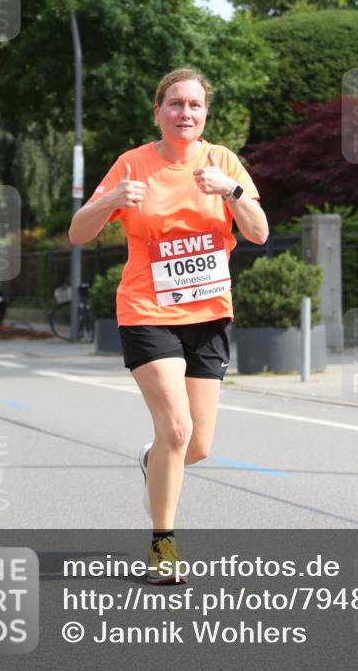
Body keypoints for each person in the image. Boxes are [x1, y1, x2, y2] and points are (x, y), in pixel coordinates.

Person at [69, 67, 268, 582]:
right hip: (147, 312)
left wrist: (232, 192)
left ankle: (152, 457)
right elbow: (78, 231)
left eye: (195, 105)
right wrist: (111, 199)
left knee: (195, 444)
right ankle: (162, 546)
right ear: (157, 112)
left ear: (206, 114)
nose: (185, 113)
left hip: (209, 315)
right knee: (177, 428)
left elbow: (260, 233)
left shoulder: (223, 162)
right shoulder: (133, 164)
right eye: (175, 104)